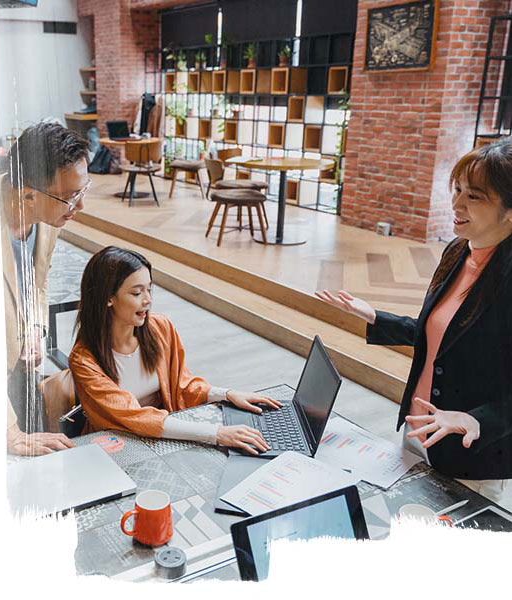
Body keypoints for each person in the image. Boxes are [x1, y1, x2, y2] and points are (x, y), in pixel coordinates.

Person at [316, 141, 512, 509]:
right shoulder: (458, 251)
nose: (456, 205)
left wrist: (476, 420)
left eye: (474, 196)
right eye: (456, 190)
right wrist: (375, 316)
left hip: (473, 455)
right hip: (418, 428)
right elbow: (442, 336)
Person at [68, 246, 282, 454]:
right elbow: (132, 416)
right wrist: (217, 433)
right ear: (108, 298)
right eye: (136, 292)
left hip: (161, 437)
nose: (148, 300)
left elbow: (182, 385)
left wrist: (227, 394)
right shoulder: (84, 359)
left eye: (149, 289)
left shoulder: (160, 328)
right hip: (118, 447)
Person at [0, 122, 91, 455]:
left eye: (83, 191)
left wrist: (35, 328)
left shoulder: (47, 219)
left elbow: (37, 283)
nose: (79, 207)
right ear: (27, 194)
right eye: (70, 197)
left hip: (17, 362)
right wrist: (9, 433)